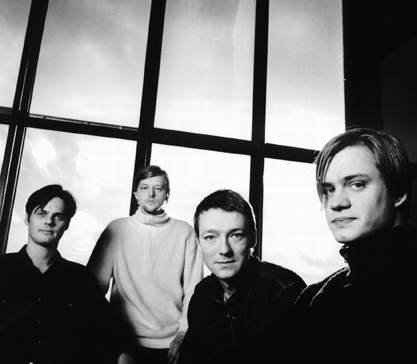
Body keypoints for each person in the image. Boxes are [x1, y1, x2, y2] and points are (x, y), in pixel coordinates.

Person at [296, 127, 416, 363]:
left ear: (399, 192)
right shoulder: (316, 297)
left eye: (357, 184)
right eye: (329, 189)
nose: (336, 202)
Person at [87, 165, 203, 364]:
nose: (151, 194)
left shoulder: (185, 232)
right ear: (136, 195)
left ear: (167, 195)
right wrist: (109, 334)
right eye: (144, 188)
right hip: (123, 341)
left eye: (158, 188)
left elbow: (193, 289)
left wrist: (184, 331)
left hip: (171, 342)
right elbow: (93, 289)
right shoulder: (117, 229)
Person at [179, 189, 306, 364]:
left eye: (235, 235)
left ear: (253, 238)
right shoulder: (202, 294)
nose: (224, 250)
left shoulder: (286, 292)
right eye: (210, 237)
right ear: (198, 242)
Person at [0, 184, 120, 364]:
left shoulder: (80, 279)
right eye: (41, 213)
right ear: (27, 218)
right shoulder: (3, 268)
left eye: (58, 216)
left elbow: (109, 331)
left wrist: (124, 354)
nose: (49, 221)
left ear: (67, 224)